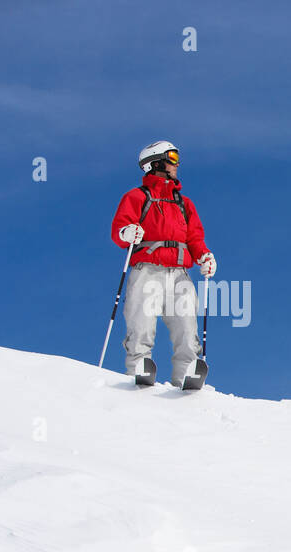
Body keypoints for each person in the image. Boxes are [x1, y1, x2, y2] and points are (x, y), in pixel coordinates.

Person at [110, 140, 217, 386]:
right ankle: (138, 368)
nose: (176, 163)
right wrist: (127, 232)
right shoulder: (137, 197)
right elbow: (119, 230)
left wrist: (204, 256)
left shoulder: (184, 203)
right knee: (142, 324)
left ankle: (186, 376)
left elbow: (195, 238)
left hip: (179, 273)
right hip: (147, 270)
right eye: (172, 157)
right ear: (155, 163)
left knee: (186, 329)